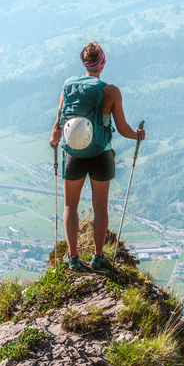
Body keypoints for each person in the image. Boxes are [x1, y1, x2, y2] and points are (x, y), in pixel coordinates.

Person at [49, 41, 144, 271]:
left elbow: (59, 122)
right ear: (102, 64)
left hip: (73, 155)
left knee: (70, 206)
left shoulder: (68, 86)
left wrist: (54, 140)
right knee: (100, 206)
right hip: (101, 154)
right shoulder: (110, 91)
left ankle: (72, 259)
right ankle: (98, 257)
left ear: (84, 63)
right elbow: (122, 129)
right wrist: (137, 136)